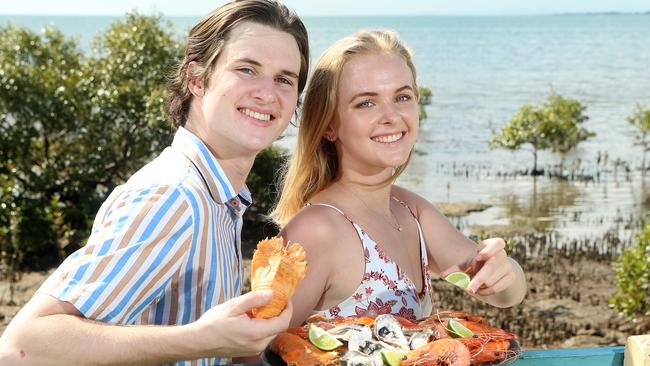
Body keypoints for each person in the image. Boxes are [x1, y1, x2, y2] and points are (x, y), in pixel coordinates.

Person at [0, 1, 309, 365]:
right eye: (246, 69)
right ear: (196, 79)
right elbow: (23, 347)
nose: (267, 93)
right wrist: (200, 339)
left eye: (284, 79)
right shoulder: (174, 197)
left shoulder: (222, 197)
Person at [271, 30, 527, 326]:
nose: (391, 116)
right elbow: (256, 351)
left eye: (402, 97)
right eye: (366, 103)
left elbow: (507, 296)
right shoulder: (315, 230)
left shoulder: (410, 210)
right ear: (329, 125)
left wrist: (502, 272)